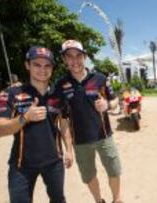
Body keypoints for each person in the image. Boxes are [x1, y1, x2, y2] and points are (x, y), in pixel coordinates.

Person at [0, 46, 73, 203]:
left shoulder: (58, 95)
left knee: (58, 199)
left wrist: (69, 150)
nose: (42, 69)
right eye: (37, 64)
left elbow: (64, 124)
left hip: (54, 161)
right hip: (21, 165)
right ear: (27, 65)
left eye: (47, 65)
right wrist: (25, 118)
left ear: (52, 68)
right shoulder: (12, 93)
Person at [56, 39, 122, 203]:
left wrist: (107, 104)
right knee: (89, 176)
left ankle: (117, 199)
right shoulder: (60, 85)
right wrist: (68, 149)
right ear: (64, 60)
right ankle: (99, 200)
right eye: (69, 56)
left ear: (84, 56)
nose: (75, 60)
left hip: (104, 136)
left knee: (114, 170)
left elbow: (115, 102)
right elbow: (63, 120)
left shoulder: (100, 78)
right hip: (80, 142)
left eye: (78, 55)